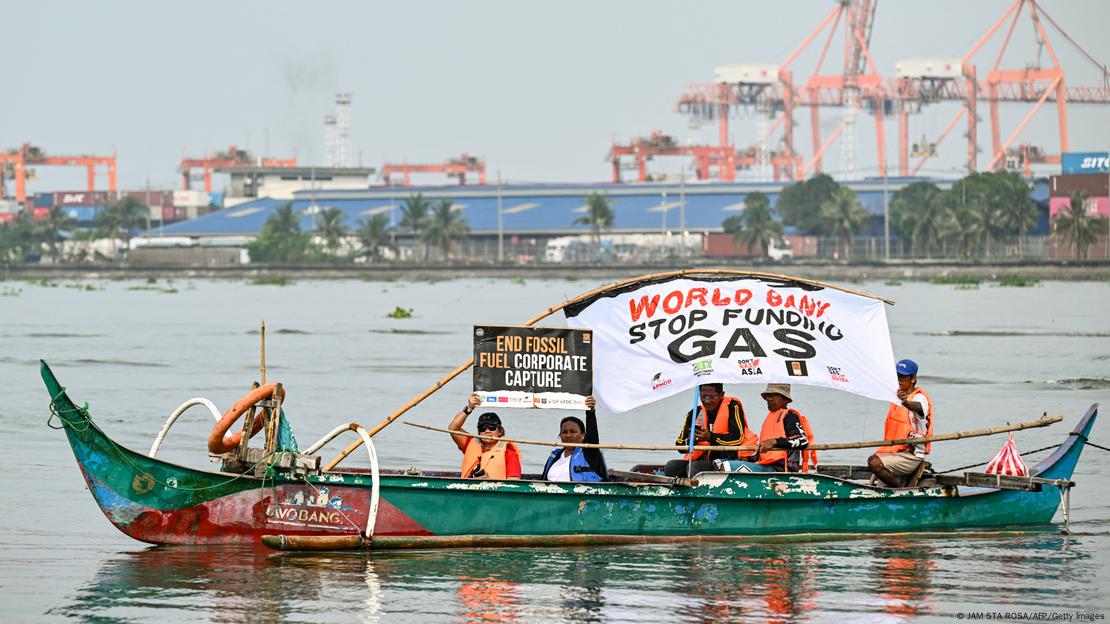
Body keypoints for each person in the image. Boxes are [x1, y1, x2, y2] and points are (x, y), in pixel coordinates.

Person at [663, 383, 757, 478]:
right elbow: (680, 446)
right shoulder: (694, 413)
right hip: (703, 461)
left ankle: (698, 490)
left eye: (712, 397)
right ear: (699, 394)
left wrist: (710, 437)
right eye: (703, 396)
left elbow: (737, 439)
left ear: (721, 395)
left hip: (727, 459)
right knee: (671, 466)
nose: (707, 401)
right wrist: (694, 439)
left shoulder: (732, 407)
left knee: (694, 468)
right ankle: (679, 490)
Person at [868, 359, 934, 487]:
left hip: (912, 455)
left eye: (903, 376)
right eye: (897, 376)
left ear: (913, 379)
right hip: (895, 450)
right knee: (875, 459)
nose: (899, 379)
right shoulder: (896, 397)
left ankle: (898, 491)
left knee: (874, 462)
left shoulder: (919, 398)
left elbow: (919, 408)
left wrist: (906, 403)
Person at [450, 393, 521, 480]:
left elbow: (514, 482)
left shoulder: (509, 452)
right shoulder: (470, 443)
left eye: (492, 427)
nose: (487, 431)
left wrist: (489, 481)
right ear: (479, 432)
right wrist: (469, 408)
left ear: (500, 431)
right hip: (468, 491)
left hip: (494, 492)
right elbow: (453, 429)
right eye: (483, 428)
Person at [541, 396, 607, 482]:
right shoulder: (555, 455)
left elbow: (592, 436)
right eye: (564, 432)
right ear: (560, 435)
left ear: (583, 435)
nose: (568, 435)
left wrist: (590, 411)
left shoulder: (589, 452)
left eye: (573, 431)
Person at [753, 383, 814, 472]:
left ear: (786, 400)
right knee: (728, 462)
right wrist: (745, 458)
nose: (769, 398)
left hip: (782, 469)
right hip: (766, 465)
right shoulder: (770, 417)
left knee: (728, 466)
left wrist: (775, 441)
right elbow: (762, 454)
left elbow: (802, 440)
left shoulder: (790, 416)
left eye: (775, 395)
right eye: (768, 395)